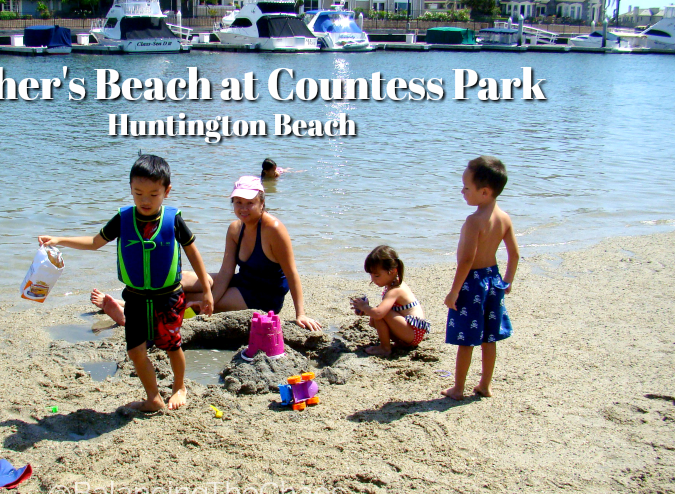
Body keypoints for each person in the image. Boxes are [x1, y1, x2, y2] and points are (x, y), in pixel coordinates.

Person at [38, 155, 214, 412]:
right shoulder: (123, 219)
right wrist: (59, 239)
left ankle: (179, 387)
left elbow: (193, 253)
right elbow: (95, 242)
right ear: (130, 189)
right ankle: (153, 397)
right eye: (138, 193)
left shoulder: (173, 220)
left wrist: (207, 290)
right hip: (135, 298)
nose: (145, 200)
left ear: (167, 191)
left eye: (153, 194)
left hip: (168, 297)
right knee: (135, 351)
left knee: (172, 345)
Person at [184, 175, 321, 331]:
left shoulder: (273, 229)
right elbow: (226, 272)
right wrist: (210, 299)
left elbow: (291, 273)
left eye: (250, 203)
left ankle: (173, 310)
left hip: (263, 297)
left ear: (262, 203)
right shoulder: (235, 229)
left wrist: (300, 314)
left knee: (187, 298)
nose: (243, 209)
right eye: (238, 203)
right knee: (183, 281)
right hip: (243, 280)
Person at [441, 156, 519, 400]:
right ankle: (485, 385)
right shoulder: (504, 218)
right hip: (493, 280)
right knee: (489, 336)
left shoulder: (474, 221)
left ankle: (458, 388)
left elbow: (466, 260)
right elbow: (514, 255)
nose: (462, 191)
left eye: (466, 187)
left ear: (484, 192)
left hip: (473, 283)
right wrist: (507, 282)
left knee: (467, 339)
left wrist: (454, 291)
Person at [351, 245, 430, 357]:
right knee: (374, 318)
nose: (373, 279)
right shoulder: (391, 285)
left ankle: (385, 348)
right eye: (371, 275)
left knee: (380, 313)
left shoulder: (396, 290)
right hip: (409, 332)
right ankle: (389, 344)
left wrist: (365, 307)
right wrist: (366, 311)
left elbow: (379, 313)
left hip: (413, 333)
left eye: (377, 275)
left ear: (392, 271)